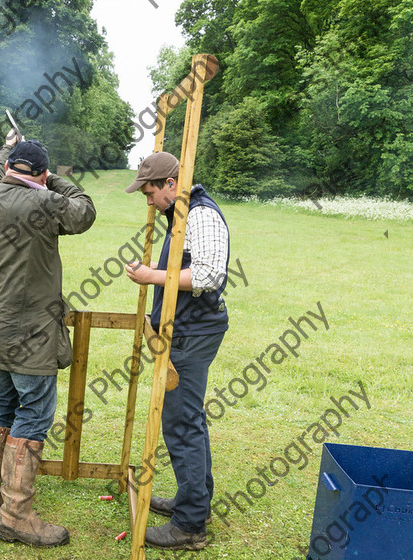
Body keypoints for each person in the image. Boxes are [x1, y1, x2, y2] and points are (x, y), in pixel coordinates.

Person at [0, 130, 96, 548]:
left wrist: (8, 147)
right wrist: (52, 178)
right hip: (31, 335)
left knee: (0, 404)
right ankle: (15, 515)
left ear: (8, 169)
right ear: (41, 176)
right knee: (34, 415)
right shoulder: (45, 200)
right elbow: (84, 210)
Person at [124, 151, 230, 551]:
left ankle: (189, 527)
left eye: (151, 192)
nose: (148, 201)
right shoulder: (182, 213)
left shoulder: (200, 214)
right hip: (188, 329)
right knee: (189, 421)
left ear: (171, 184)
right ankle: (193, 505)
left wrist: (153, 275)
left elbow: (208, 274)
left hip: (192, 333)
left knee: (182, 425)